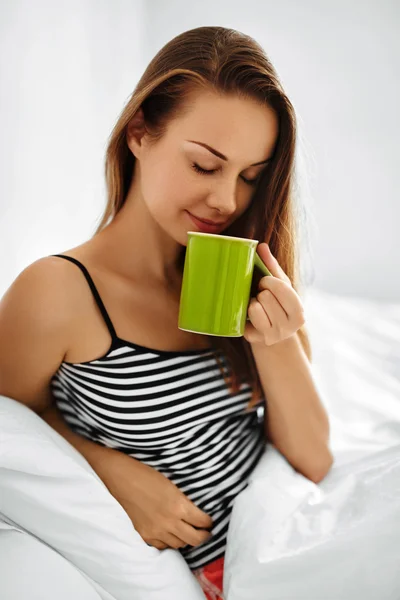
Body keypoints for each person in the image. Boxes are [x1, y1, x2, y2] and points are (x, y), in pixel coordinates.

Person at [0, 25, 332, 599]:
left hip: (290, 546)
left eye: (251, 178)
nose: (228, 201)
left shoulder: (240, 274)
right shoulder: (57, 293)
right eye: (206, 165)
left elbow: (313, 457)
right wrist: (108, 469)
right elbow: (13, 437)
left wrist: (273, 340)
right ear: (139, 131)